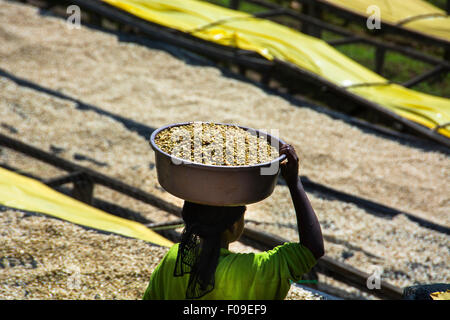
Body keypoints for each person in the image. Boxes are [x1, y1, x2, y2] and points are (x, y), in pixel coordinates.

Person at [143, 144, 324, 300]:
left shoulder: (174, 260)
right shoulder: (255, 271)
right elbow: (312, 249)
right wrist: (294, 182)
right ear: (234, 225)